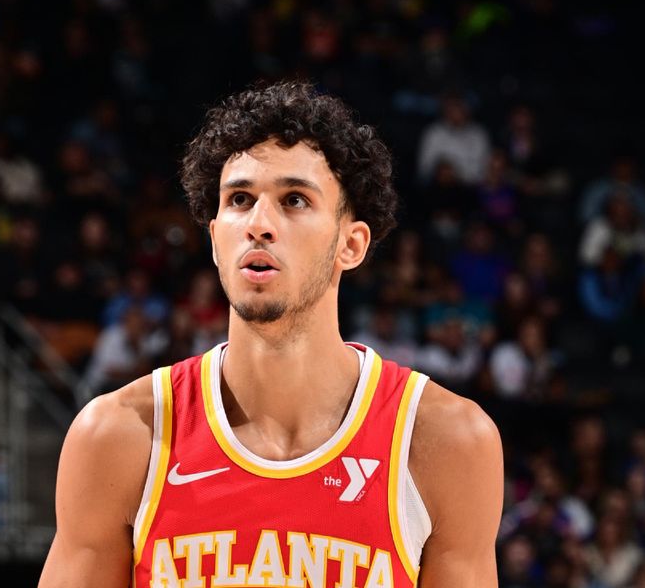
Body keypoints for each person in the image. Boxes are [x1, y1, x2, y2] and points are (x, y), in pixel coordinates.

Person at [38, 81, 503, 587]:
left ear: (351, 244)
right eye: (239, 199)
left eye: (295, 200)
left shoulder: (444, 442)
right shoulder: (118, 438)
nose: (259, 223)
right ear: (216, 240)